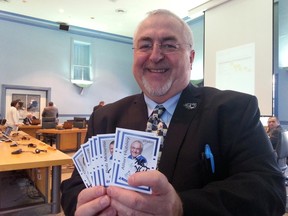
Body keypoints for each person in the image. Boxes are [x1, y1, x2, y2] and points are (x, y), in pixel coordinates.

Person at [60, 9, 286, 215]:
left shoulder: (232, 110)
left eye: (169, 45)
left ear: (190, 58)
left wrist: (180, 206)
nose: (155, 55)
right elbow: (75, 185)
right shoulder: (105, 117)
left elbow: (269, 191)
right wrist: (81, 205)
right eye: (145, 45)